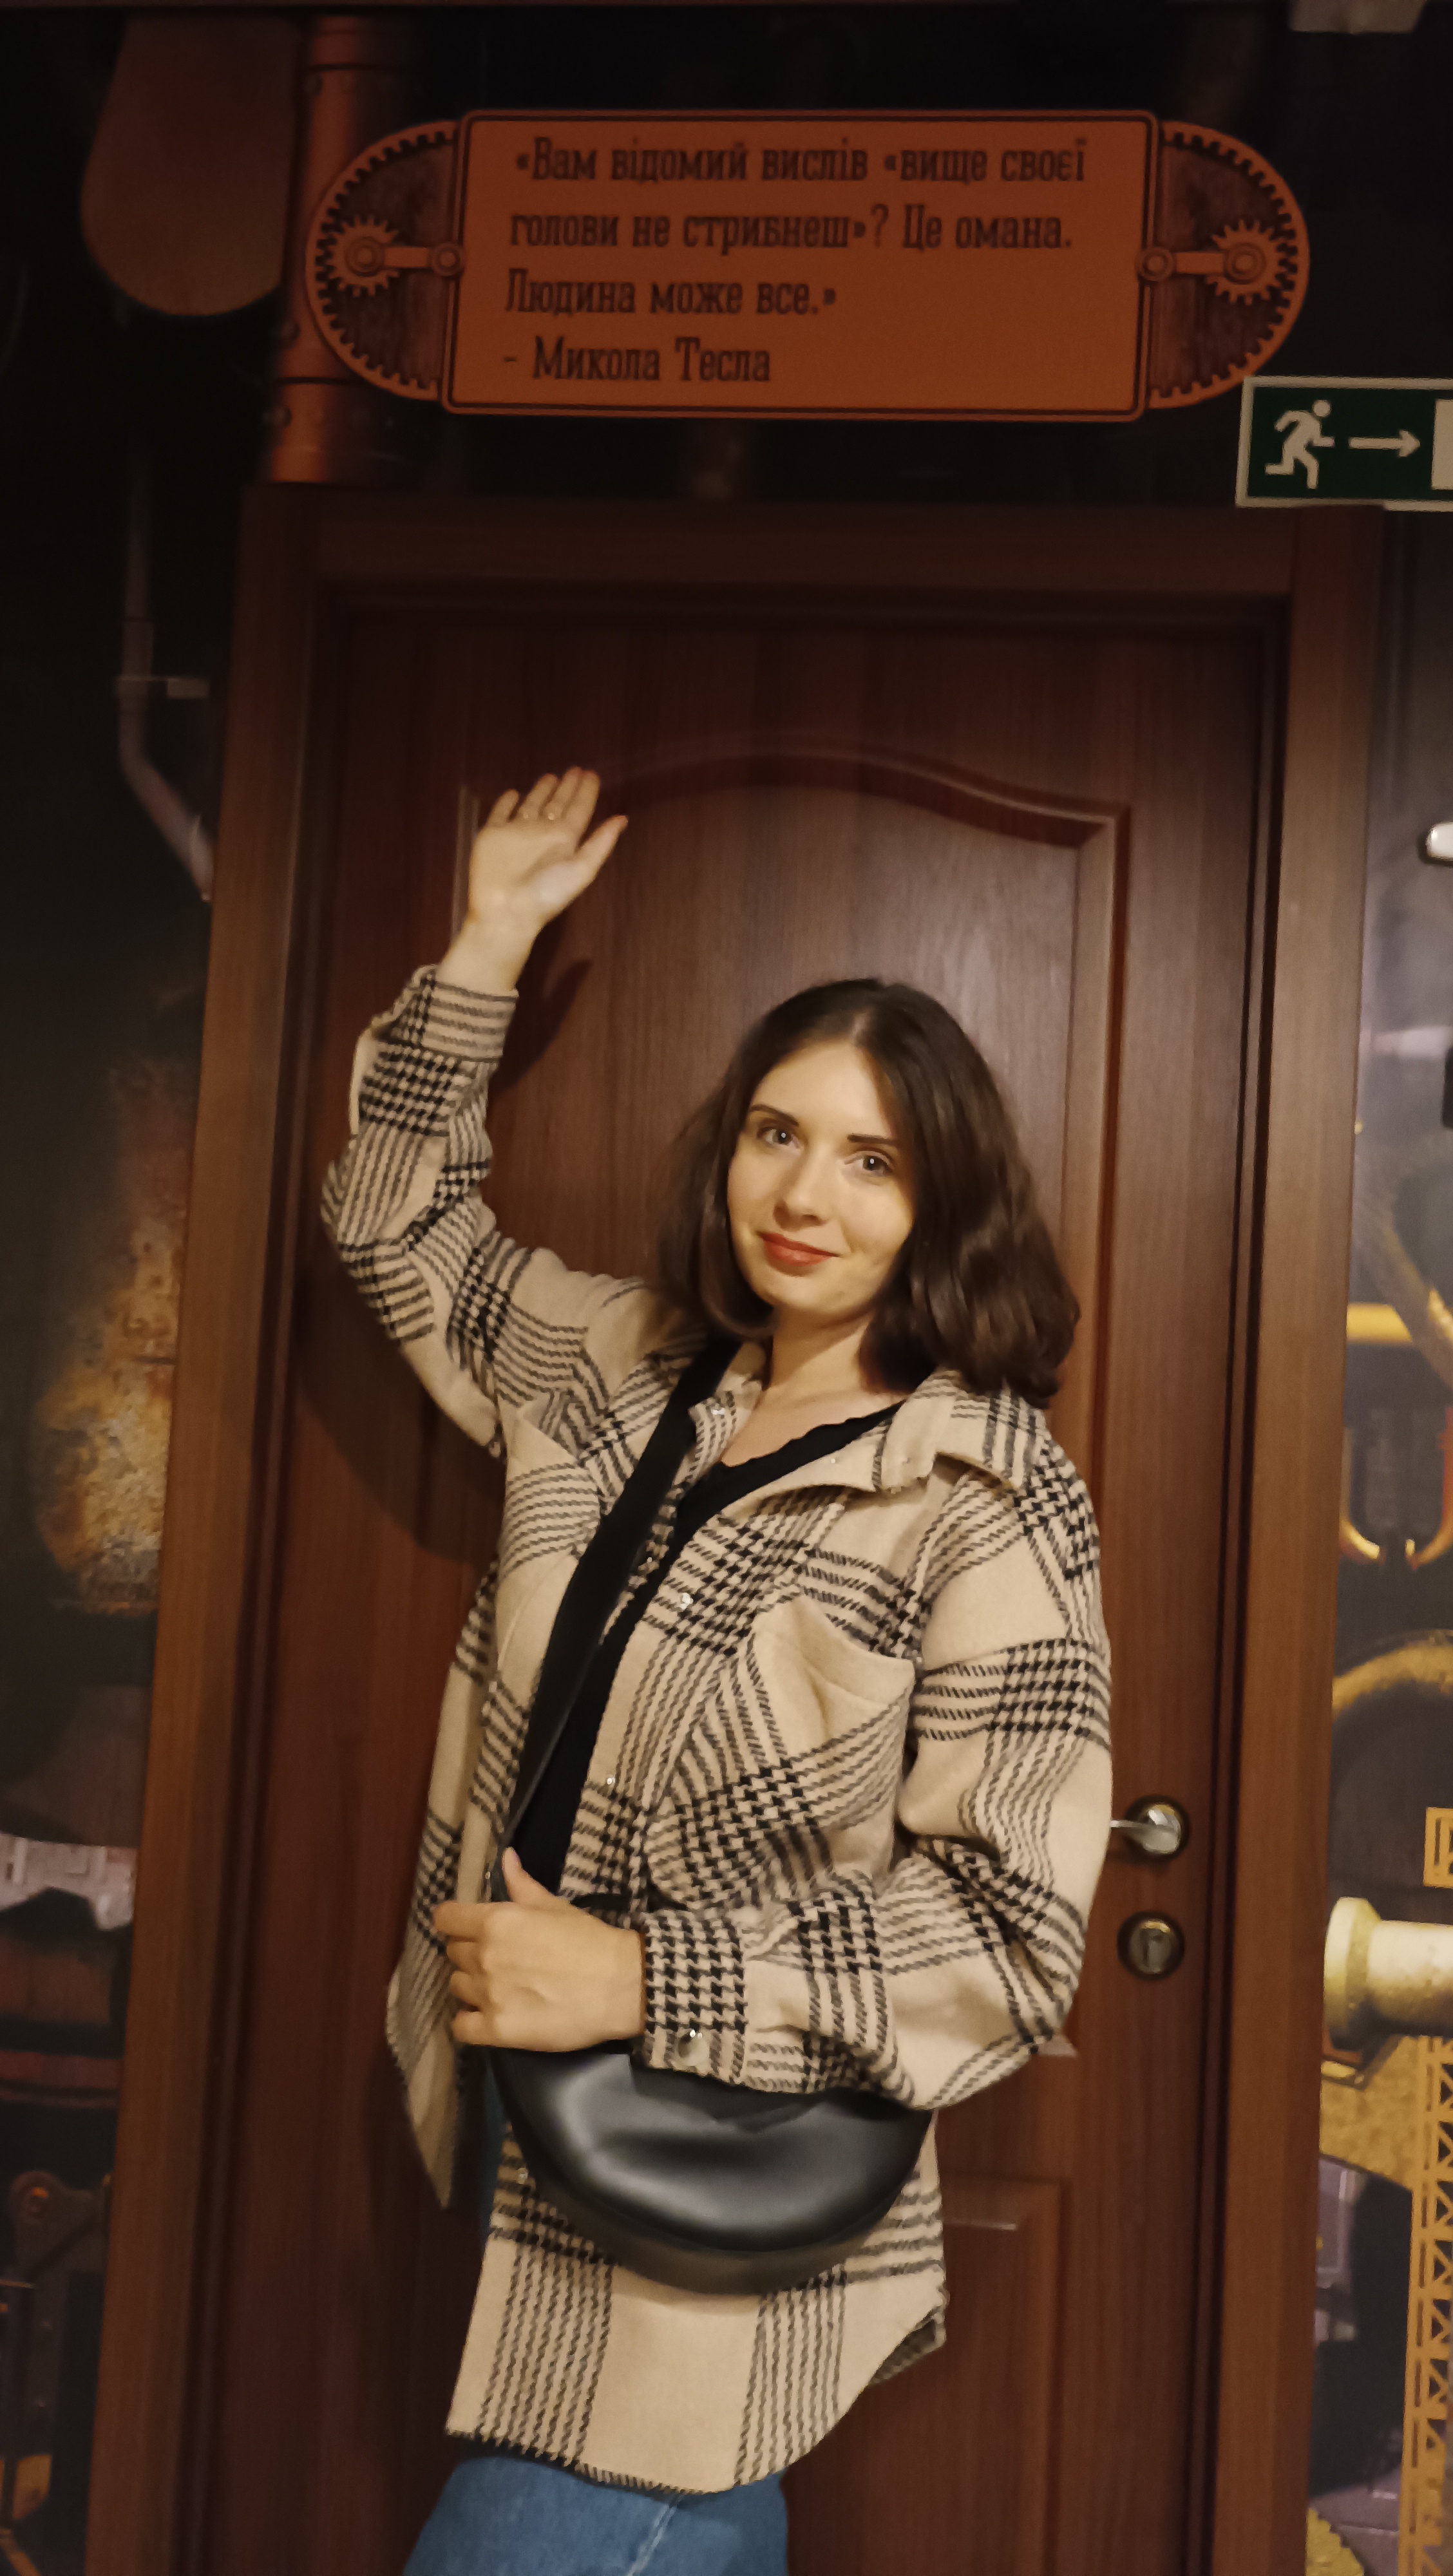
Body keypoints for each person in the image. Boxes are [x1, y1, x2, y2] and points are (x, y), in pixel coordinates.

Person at [321, 766, 1113, 2575]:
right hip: (506, 2119)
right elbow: (391, 1223)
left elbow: (1009, 1939)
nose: (805, 1193)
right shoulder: (625, 1369)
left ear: (944, 1201)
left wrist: (640, 1978)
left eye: (872, 1159)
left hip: (722, 2168)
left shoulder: (983, 1495)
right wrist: (490, 943)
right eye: (776, 1133)